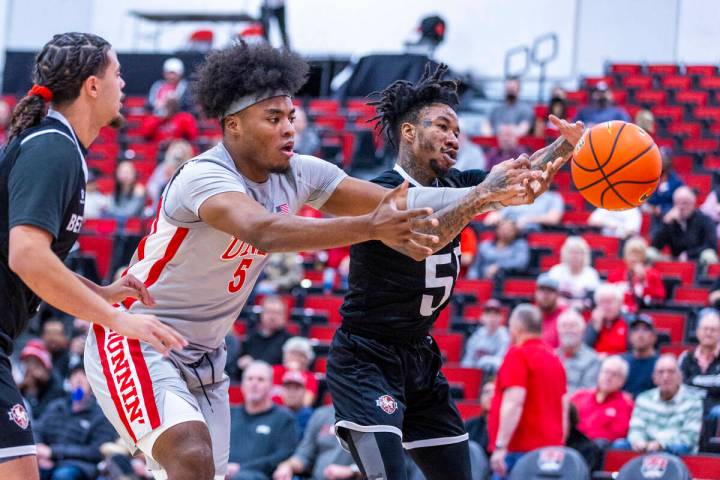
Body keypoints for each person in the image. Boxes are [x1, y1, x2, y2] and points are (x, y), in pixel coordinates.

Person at [85, 44, 487, 480]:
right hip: (136, 334)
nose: (288, 129)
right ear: (233, 125)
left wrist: (489, 192)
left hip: (204, 356)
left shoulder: (300, 172)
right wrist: (372, 227)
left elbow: (402, 200)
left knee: (198, 472)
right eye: (273, 119)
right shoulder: (205, 176)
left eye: (291, 117)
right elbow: (264, 231)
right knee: (190, 456)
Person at [328, 64, 583, 480]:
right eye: (443, 126)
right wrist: (483, 196)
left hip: (419, 356)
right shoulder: (379, 192)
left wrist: (564, 148)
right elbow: (429, 232)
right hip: (366, 356)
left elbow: (520, 175)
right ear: (409, 132)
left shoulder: (460, 181)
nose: (453, 138)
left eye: (458, 132)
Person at [0, 35, 184, 480]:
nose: (124, 84)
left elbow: (34, 262)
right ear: (92, 86)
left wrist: (99, 291)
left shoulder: (56, 146)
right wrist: (116, 319)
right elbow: (25, 256)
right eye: (117, 73)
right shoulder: (53, 148)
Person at [488, 304, 567, 479]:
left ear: (516, 327)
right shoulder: (555, 358)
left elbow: (514, 402)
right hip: (550, 453)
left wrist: (501, 447)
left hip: (519, 451)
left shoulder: (518, 354)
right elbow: (564, 406)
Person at [33, 363, 117, 480]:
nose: (78, 379)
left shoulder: (102, 415)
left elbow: (95, 451)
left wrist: (53, 452)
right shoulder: (57, 406)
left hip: (79, 465)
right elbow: (37, 429)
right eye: (75, 375)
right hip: (46, 458)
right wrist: (39, 449)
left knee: (63, 475)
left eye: (84, 375)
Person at [618, 354, 704, 455]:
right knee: (619, 445)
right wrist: (639, 442)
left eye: (671, 372)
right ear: (654, 378)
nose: (665, 377)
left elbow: (689, 438)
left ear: (680, 377)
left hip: (675, 451)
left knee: (677, 448)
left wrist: (661, 445)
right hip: (646, 448)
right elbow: (636, 429)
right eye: (660, 372)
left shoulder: (693, 401)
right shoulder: (644, 398)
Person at [227, 361, 298, 480]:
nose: (254, 384)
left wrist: (241, 468)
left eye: (260, 379)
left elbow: (283, 454)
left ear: (271, 385)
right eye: (250, 379)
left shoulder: (285, 418)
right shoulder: (229, 414)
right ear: (242, 385)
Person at [273, 405, 361, 480]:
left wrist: (352, 470)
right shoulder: (321, 414)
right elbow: (304, 455)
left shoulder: (369, 416)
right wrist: (288, 466)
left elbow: (374, 465)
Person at [570, 355, 634, 447]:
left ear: (622, 381)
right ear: (599, 374)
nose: (608, 377)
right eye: (606, 372)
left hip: (599, 448)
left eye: (614, 374)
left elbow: (618, 433)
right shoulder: (579, 396)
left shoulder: (626, 404)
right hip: (575, 443)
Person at [651, 185, 719, 267]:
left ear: (693, 203)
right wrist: (665, 223)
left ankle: (704, 279)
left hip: (697, 261)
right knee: (650, 253)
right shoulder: (670, 221)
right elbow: (655, 245)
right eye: (678, 203)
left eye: (685, 203)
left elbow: (711, 245)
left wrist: (689, 255)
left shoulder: (705, 220)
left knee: (709, 255)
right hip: (674, 259)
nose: (681, 207)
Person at [679, 309, 720, 425]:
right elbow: (680, 387)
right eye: (705, 329)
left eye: (713, 330)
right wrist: (712, 383)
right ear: (697, 332)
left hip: (715, 407)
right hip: (688, 406)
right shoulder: (686, 357)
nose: (708, 333)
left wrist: (693, 380)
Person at [235, 295, 292, 376]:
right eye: (269, 312)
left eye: (277, 313)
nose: (272, 317)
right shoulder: (251, 339)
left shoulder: (290, 342)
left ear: (284, 316)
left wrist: (253, 364)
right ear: (262, 314)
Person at [607, 236, 665, 313]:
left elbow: (658, 300)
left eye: (637, 254)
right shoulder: (614, 275)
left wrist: (643, 280)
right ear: (625, 257)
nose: (633, 258)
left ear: (643, 257)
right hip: (617, 313)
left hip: (641, 314)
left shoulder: (653, 275)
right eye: (631, 254)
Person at [547, 236, 600, 309]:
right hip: (558, 309)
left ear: (585, 255)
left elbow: (592, 299)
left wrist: (581, 304)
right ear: (564, 253)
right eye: (571, 252)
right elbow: (549, 293)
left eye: (578, 253)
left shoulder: (591, 274)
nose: (575, 256)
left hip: (583, 311)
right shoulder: (556, 271)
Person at [18, 339, 65, 421]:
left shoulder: (56, 385)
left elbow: (38, 416)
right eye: (27, 362)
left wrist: (32, 392)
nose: (30, 368)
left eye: (35, 363)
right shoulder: (23, 384)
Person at [556, 309, 600, 393]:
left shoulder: (592, 359)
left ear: (582, 330)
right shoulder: (551, 356)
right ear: (558, 331)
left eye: (573, 326)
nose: (568, 330)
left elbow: (586, 393)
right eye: (564, 326)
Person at [145, 139, 195, 215]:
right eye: (176, 149)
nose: (178, 153)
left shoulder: (191, 168)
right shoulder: (163, 168)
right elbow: (151, 186)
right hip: (162, 204)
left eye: (182, 150)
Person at [460, 299, 509, 373]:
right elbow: (467, 361)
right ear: (482, 317)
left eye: (496, 314)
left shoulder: (504, 336)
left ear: (501, 318)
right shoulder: (476, 336)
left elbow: (501, 362)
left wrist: (483, 361)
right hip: (476, 375)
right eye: (488, 314)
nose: (492, 318)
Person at [584, 283, 630, 356]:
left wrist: (609, 356)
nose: (605, 306)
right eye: (602, 302)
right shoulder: (593, 322)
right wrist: (595, 329)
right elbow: (584, 350)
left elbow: (634, 353)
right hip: (595, 364)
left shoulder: (628, 321)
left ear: (620, 304)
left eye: (609, 302)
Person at [272, 337, 318, 407]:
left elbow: (306, 403)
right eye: (292, 353)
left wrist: (294, 373)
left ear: (307, 359)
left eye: (300, 355)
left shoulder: (310, 378)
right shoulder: (276, 370)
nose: (296, 357)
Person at [622, 314, 659, 397]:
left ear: (654, 337)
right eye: (636, 330)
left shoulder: (660, 365)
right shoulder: (621, 363)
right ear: (630, 337)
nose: (640, 334)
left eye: (645, 330)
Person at [534, 273, 565, 349]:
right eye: (542, 289)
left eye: (550, 290)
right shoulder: (529, 316)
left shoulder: (565, 316)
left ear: (558, 295)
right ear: (536, 293)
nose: (545, 294)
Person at [279, 370, 314, 437]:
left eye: (296, 388)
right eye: (288, 388)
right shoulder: (274, 415)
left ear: (304, 392)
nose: (292, 392)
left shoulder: (313, 417)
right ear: (281, 392)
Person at [465, 381, 496, 455]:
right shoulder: (470, 424)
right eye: (487, 392)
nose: (491, 396)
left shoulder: (508, 428)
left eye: (495, 392)